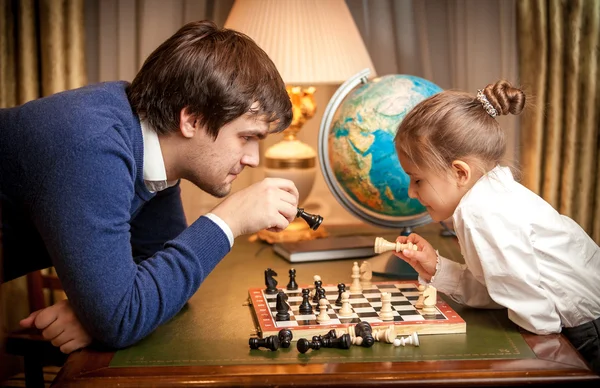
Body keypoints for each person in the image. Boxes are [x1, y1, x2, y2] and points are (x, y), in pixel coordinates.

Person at [0, 20, 298, 353]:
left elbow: (161, 282)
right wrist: (227, 221)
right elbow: (122, 319)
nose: (253, 159)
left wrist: (94, 314)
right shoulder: (92, 145)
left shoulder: (149, 150)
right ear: (192, 120)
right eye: (246, 137)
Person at [392, 80, 600, 374]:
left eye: (418, 180)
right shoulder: (488, 197)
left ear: (459, 172)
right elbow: (501, 288)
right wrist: (435, 267)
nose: (412, 193)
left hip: (586, 334)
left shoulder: (482, 214)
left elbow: (540, 320)